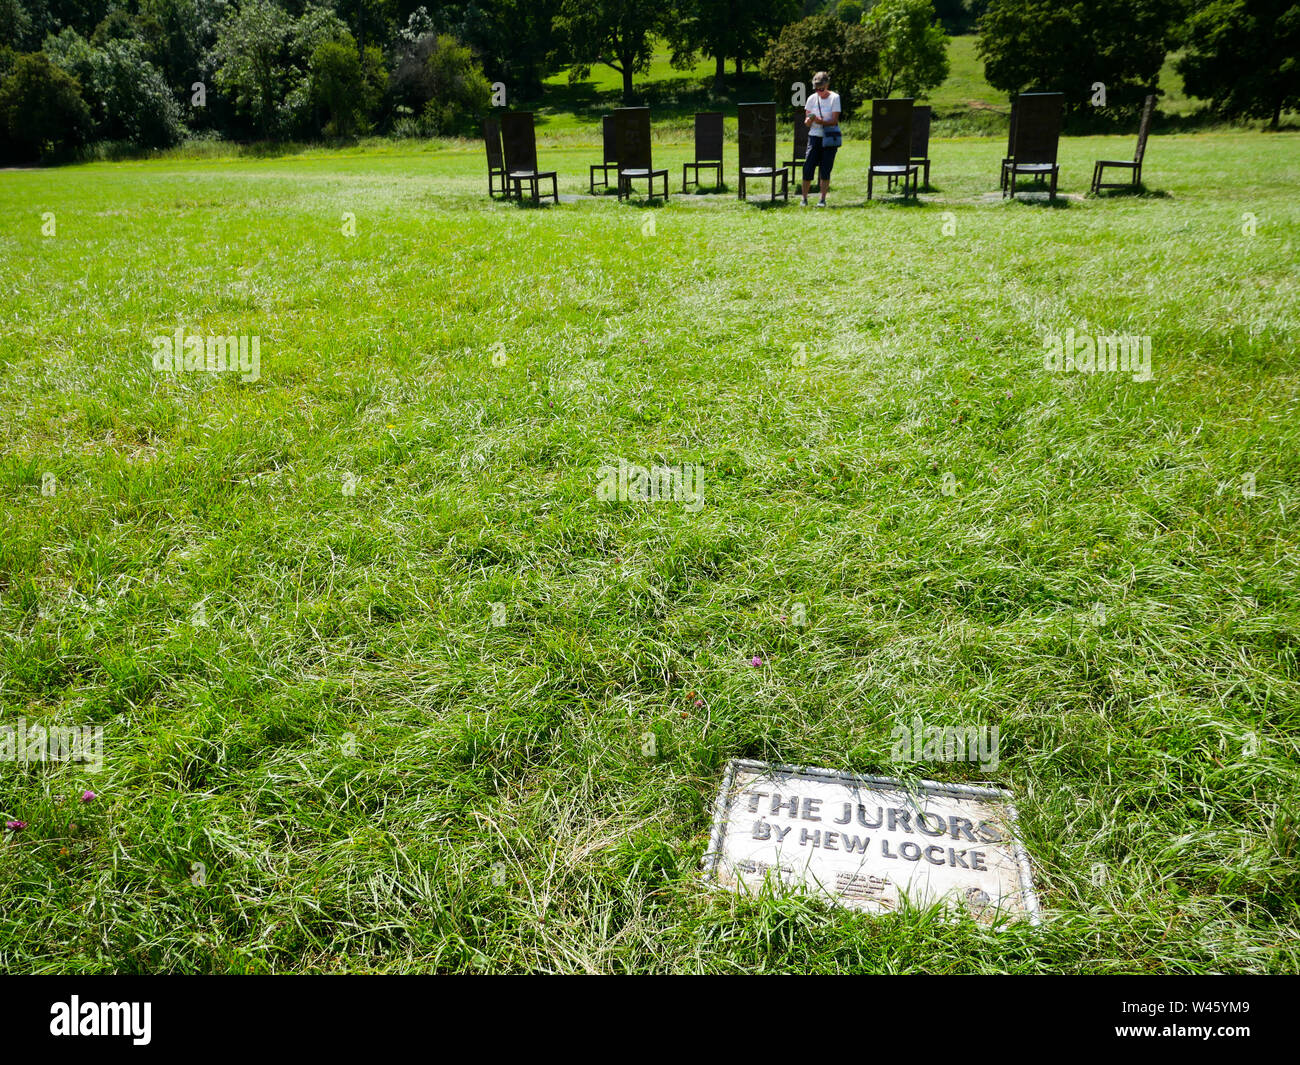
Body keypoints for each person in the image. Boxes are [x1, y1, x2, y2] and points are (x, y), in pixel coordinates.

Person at [802, 72, 842, 207]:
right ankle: (804, 199)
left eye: (821, 88)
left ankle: (822, 199)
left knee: (825, 169)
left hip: (829, 138)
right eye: (816, 88)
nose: (819, 91)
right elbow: (807, 121)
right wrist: (809, 121)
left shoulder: (835, 98)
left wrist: (818, 121)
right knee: (808, 167)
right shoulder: (811, 99)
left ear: (827, 85)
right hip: (814, 137)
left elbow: (834, 121)